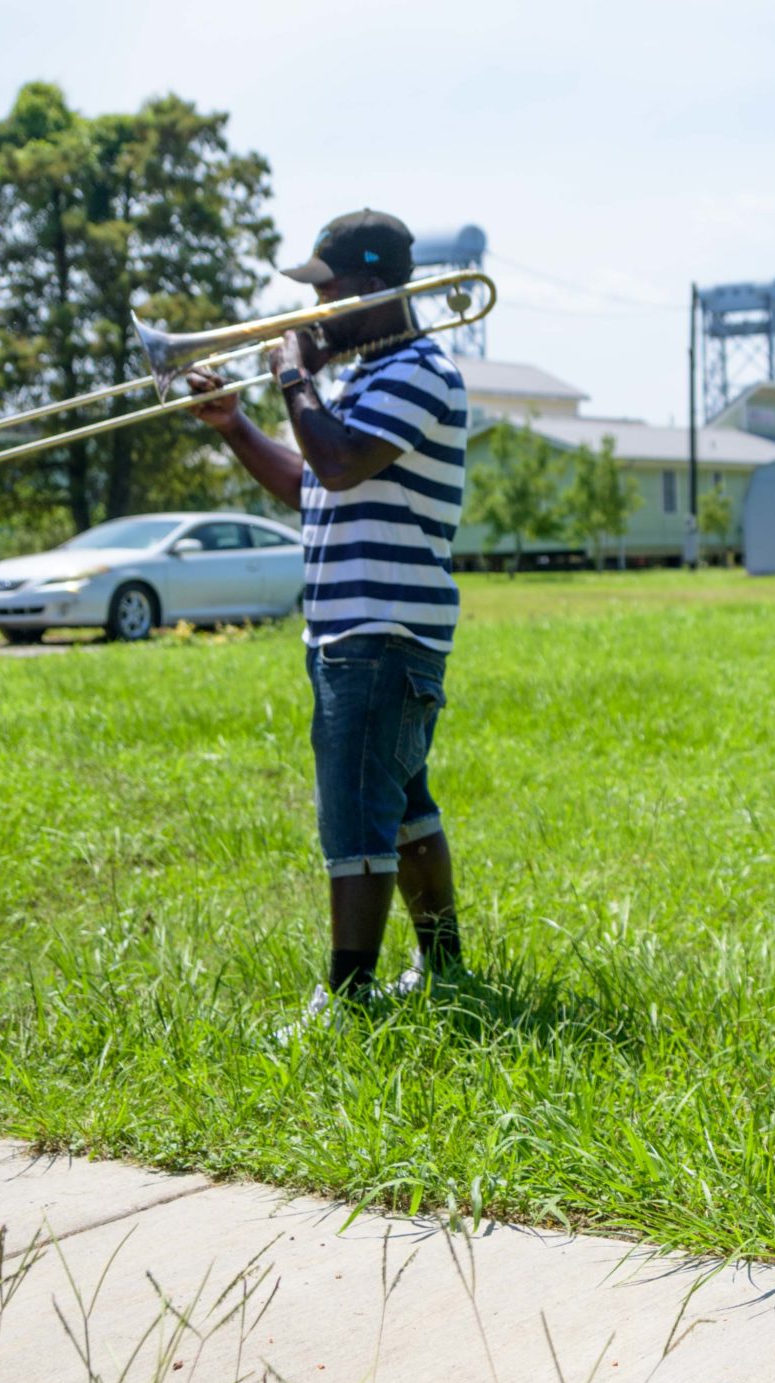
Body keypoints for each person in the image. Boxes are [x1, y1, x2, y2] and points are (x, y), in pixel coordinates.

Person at [186, 210, 471, 1027]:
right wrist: (235, 424)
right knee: (402, 805)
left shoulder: (420, 372)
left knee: (355, 814)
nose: (313, 311)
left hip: (382, 629)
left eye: (327, 292)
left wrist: (290, 377)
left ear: (372, 289)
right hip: (355, 628)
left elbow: (338, 463)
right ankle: (444, 969)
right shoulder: (364, 380)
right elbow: (312, 485)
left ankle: (348, 1002)